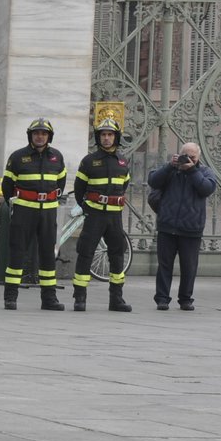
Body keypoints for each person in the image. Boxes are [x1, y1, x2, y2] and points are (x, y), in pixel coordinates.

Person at [1, 117, 68, 310]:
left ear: (49, 137)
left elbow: (61, 181)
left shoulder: (57, 156)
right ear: (30, 135)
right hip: (24, 211)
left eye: (44, 133)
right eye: (36, 133)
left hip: (48, 212)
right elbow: (7, 186)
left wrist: (52, 197)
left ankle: (49, 299)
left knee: (48, 254)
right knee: (17, 253)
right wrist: (16, 204)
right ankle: (10, 297)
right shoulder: (17, 157)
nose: (40, 137)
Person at [72, 116, 134, 312]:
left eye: (110, 135)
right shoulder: (89, 161)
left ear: (116, 137)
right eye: (103, 135)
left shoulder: (123, 161)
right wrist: (87, 208)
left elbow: (124, 185)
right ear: (98, 138)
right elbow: (79, 188)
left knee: (117, 255)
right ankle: (80, 298)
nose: (107, 138)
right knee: (85, 253)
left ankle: (116, 299)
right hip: (95, 215)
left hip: (115, 217)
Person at [146, 141, 216, 311]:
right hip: (167, 225)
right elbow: (153, 181)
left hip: (191, 228)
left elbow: (207, 189)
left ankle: (185, 299)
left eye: (192, 157)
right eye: (186, 156)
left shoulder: (205, 172)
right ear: (179, 154)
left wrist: (192, 170)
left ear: (198, 157)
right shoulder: (171, 169)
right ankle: (162, 298)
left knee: (189, 266)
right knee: (164, 265)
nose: (188, 160)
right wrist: (170, 166)